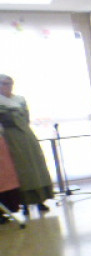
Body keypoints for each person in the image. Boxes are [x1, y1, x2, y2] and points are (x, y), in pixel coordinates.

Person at [0, 74, 53, 215]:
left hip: (27, 136)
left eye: (10, 83)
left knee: (36, 166)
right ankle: (24, 203)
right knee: (20, 170)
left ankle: (40, 199)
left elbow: (26, 119)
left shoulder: (19, 99)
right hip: (9, 139)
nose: (8, 86)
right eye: (4, 83)